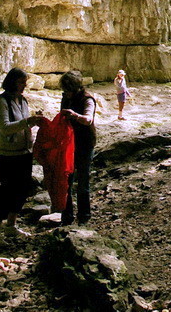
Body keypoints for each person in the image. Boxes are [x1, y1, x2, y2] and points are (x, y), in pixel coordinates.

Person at [0, 68, 44, 246]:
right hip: (8, 154)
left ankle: (11, 225)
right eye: (21, 82)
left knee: (22, 190)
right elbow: (4, 128)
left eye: (24, 82)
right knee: (6, 191)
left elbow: (22, 124)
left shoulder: (23, 101)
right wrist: (27, 122)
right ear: (12, 82)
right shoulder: (1, 102)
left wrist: (33, 123)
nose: (24, 86)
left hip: (24, 152)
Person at [58, 71, 97, 225]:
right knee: (66, 180)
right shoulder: (65, 98)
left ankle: (84, 216)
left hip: (84, 144)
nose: (65, 93)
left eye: (67, 90)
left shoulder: (87, 99)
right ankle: (66, 216)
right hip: (69, 143)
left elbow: (88, 119)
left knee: (83, 181)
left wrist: (74, 115)